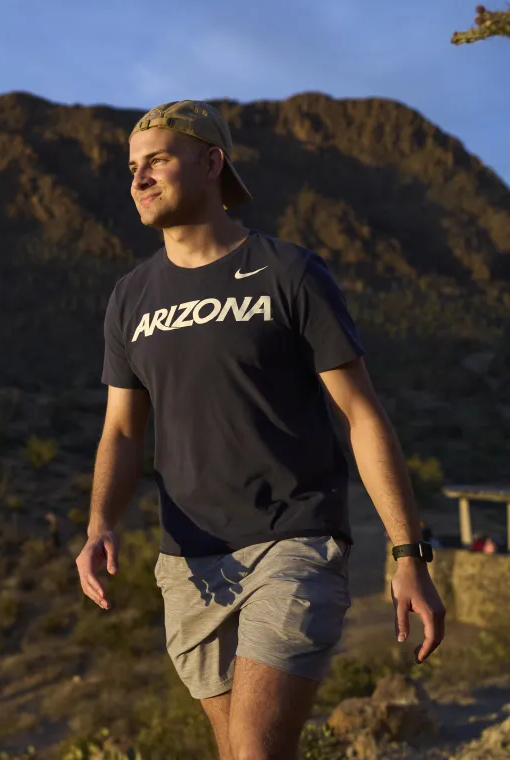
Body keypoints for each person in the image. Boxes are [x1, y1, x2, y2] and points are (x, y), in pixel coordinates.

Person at [74, 100, 446, 760]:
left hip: (292, 543)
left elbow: (361, 415)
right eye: (132, 167)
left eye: (156, 160)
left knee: (253, 751)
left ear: (211, 162)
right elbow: (123, 433)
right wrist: (100, 524)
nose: (138, 179)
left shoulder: (288, 272)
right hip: (188, 563)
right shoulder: (130, 297)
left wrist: (408, 554)